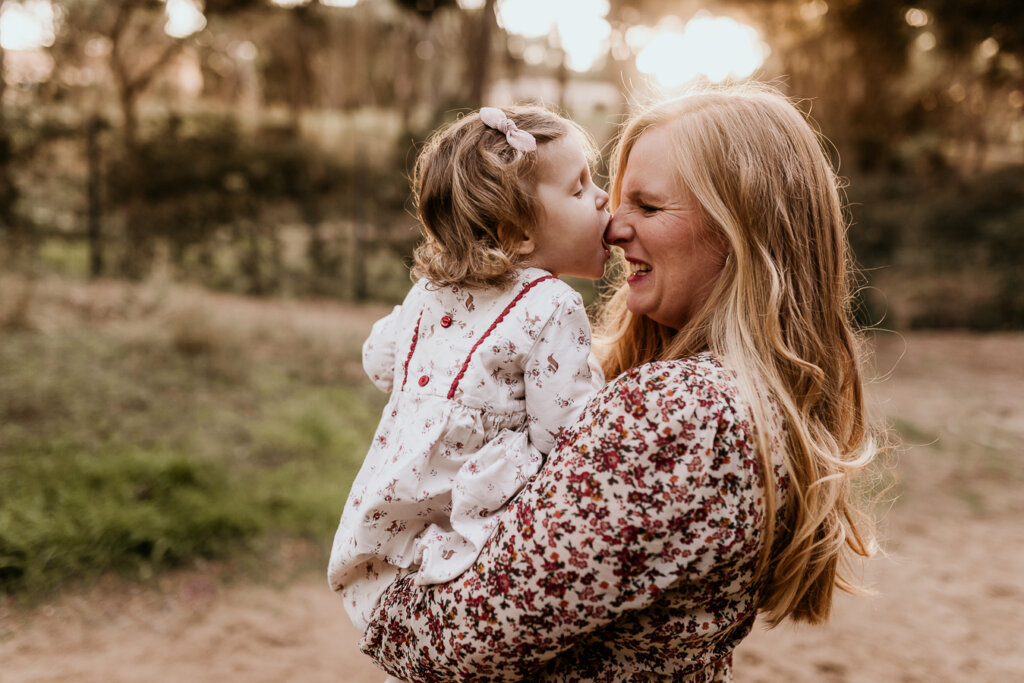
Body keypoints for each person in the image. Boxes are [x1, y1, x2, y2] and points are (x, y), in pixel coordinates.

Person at [358, 84, 879, 681]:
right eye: (609, 196)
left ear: (746, 233)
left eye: (649, 208)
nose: (611, 227)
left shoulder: (684, 415)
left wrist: (380, 589)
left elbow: (456, 644)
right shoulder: (734, 399)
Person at [328, 106, 612, 637]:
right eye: (578, 189)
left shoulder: (427, 294)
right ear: (516, 234)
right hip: (475, 526)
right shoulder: (553, 303)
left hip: (393, 533)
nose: (602, 198)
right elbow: (566, 432)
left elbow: (379, 359)